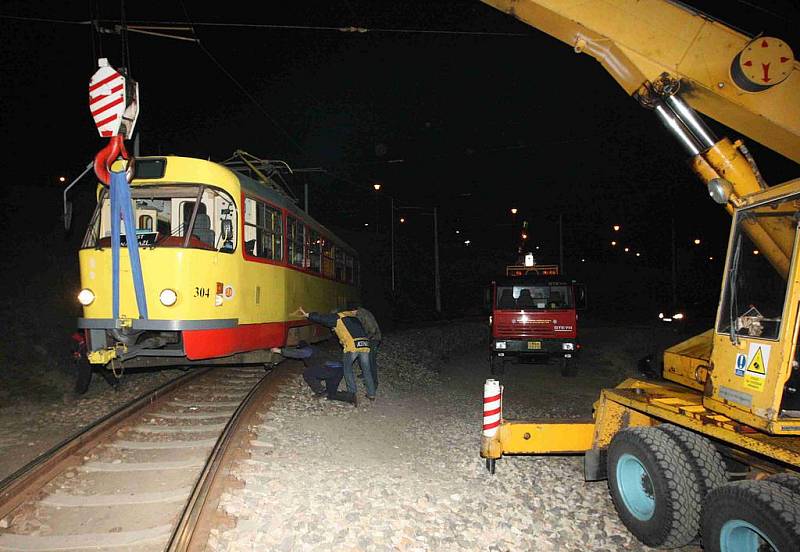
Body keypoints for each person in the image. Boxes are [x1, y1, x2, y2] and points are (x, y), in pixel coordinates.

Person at [297, 306, 376, 401]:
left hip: (353, 345)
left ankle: (351, 392)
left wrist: (308, 315)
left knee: (347, 369)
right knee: (366, 370)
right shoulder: (353, 318)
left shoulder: (338, 317)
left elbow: (322, 318)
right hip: (365, 344)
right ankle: (371, 394)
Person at [272, 341, 357, 405]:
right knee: (331, 394)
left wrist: (279, 351)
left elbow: (299, 353)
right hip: (338, 370)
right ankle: (350, 397)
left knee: (307, 373)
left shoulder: (308, 349)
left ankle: (321, 391)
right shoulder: (316, 350)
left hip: (330, 368)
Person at [352, 306, 381, 390]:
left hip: (373, 339)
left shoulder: (364, 314)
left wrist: (364, 340)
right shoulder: (359, 314)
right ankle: (364, 373)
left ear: (355, 310)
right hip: (367, 338)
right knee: (361, 356)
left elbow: (372, 330)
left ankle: (374, 383)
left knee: (371, 361)